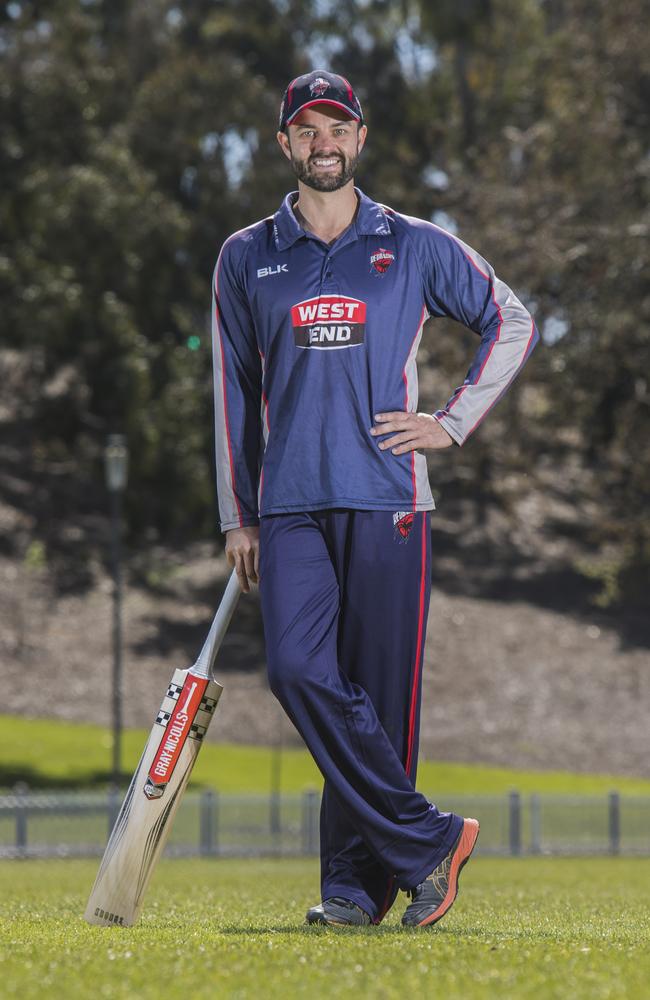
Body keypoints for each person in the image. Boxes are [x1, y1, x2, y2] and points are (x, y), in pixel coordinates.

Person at [211, 70, 538, 928]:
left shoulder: (416, 243)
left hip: (391, 496)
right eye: (307, 129)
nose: (324, 142)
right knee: (296, 670)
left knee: (378, 703)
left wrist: (452, 422)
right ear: (284, 143)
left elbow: (512, 319)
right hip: (288, 506)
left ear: (360, 140)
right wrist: (236, 511)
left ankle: (353, 894)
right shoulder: (246, 256)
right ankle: (430, 839)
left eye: (338, 127)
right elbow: (231, 391)